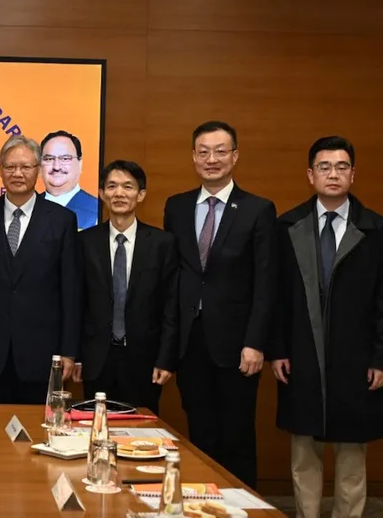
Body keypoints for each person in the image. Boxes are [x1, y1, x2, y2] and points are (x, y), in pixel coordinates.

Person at [271, 136, 383, 518]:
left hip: (356, 360)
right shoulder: (288, 226)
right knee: (304, 455)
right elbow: (277, 297)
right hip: (301, 356)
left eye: (341, 167)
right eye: (324, 167)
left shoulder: (376, 231)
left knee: (352, 458)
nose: (333, 174)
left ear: (353, 174)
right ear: (310, 174)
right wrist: (278, 350)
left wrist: (380, 358)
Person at [163, 120, 277, 489]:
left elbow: (265, 283)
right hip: (191, 343)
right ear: (194, 157)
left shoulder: (257, 210)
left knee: (238, 437)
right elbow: (174, 277)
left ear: (235, 156)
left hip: (237, 346)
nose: (212, 159)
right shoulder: (176, 207)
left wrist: (255, 342)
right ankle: (202, 507)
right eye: (204, 152)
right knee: (200, 436)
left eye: (220, 151)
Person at [0, 135, 82, 405]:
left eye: (26, 167)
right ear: (0, 170)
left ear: (38, 170)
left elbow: (71, 291)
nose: (17, 173)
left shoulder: (62, 220)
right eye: (10, 167)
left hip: (42, 354)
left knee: (37, 436)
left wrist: (69, 352)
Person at [74, 160, 178, 415]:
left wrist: (166, 358)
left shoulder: (162, 244)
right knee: (96, 430)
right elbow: (76, 302)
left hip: (144, 359)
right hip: (97, 359)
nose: (119, 193)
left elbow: (171, 306)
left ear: (140, 194)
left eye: (128, 187)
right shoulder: (84, 242)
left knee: (142, 434)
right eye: (112, 186)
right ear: (101, 193)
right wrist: (76, 355)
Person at [39, 130, 98, 230]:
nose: (56, 167)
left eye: (65, 159)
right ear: (40, 166)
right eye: (49, 159)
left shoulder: (97, 210)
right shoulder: (28, 208)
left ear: (80, 164)